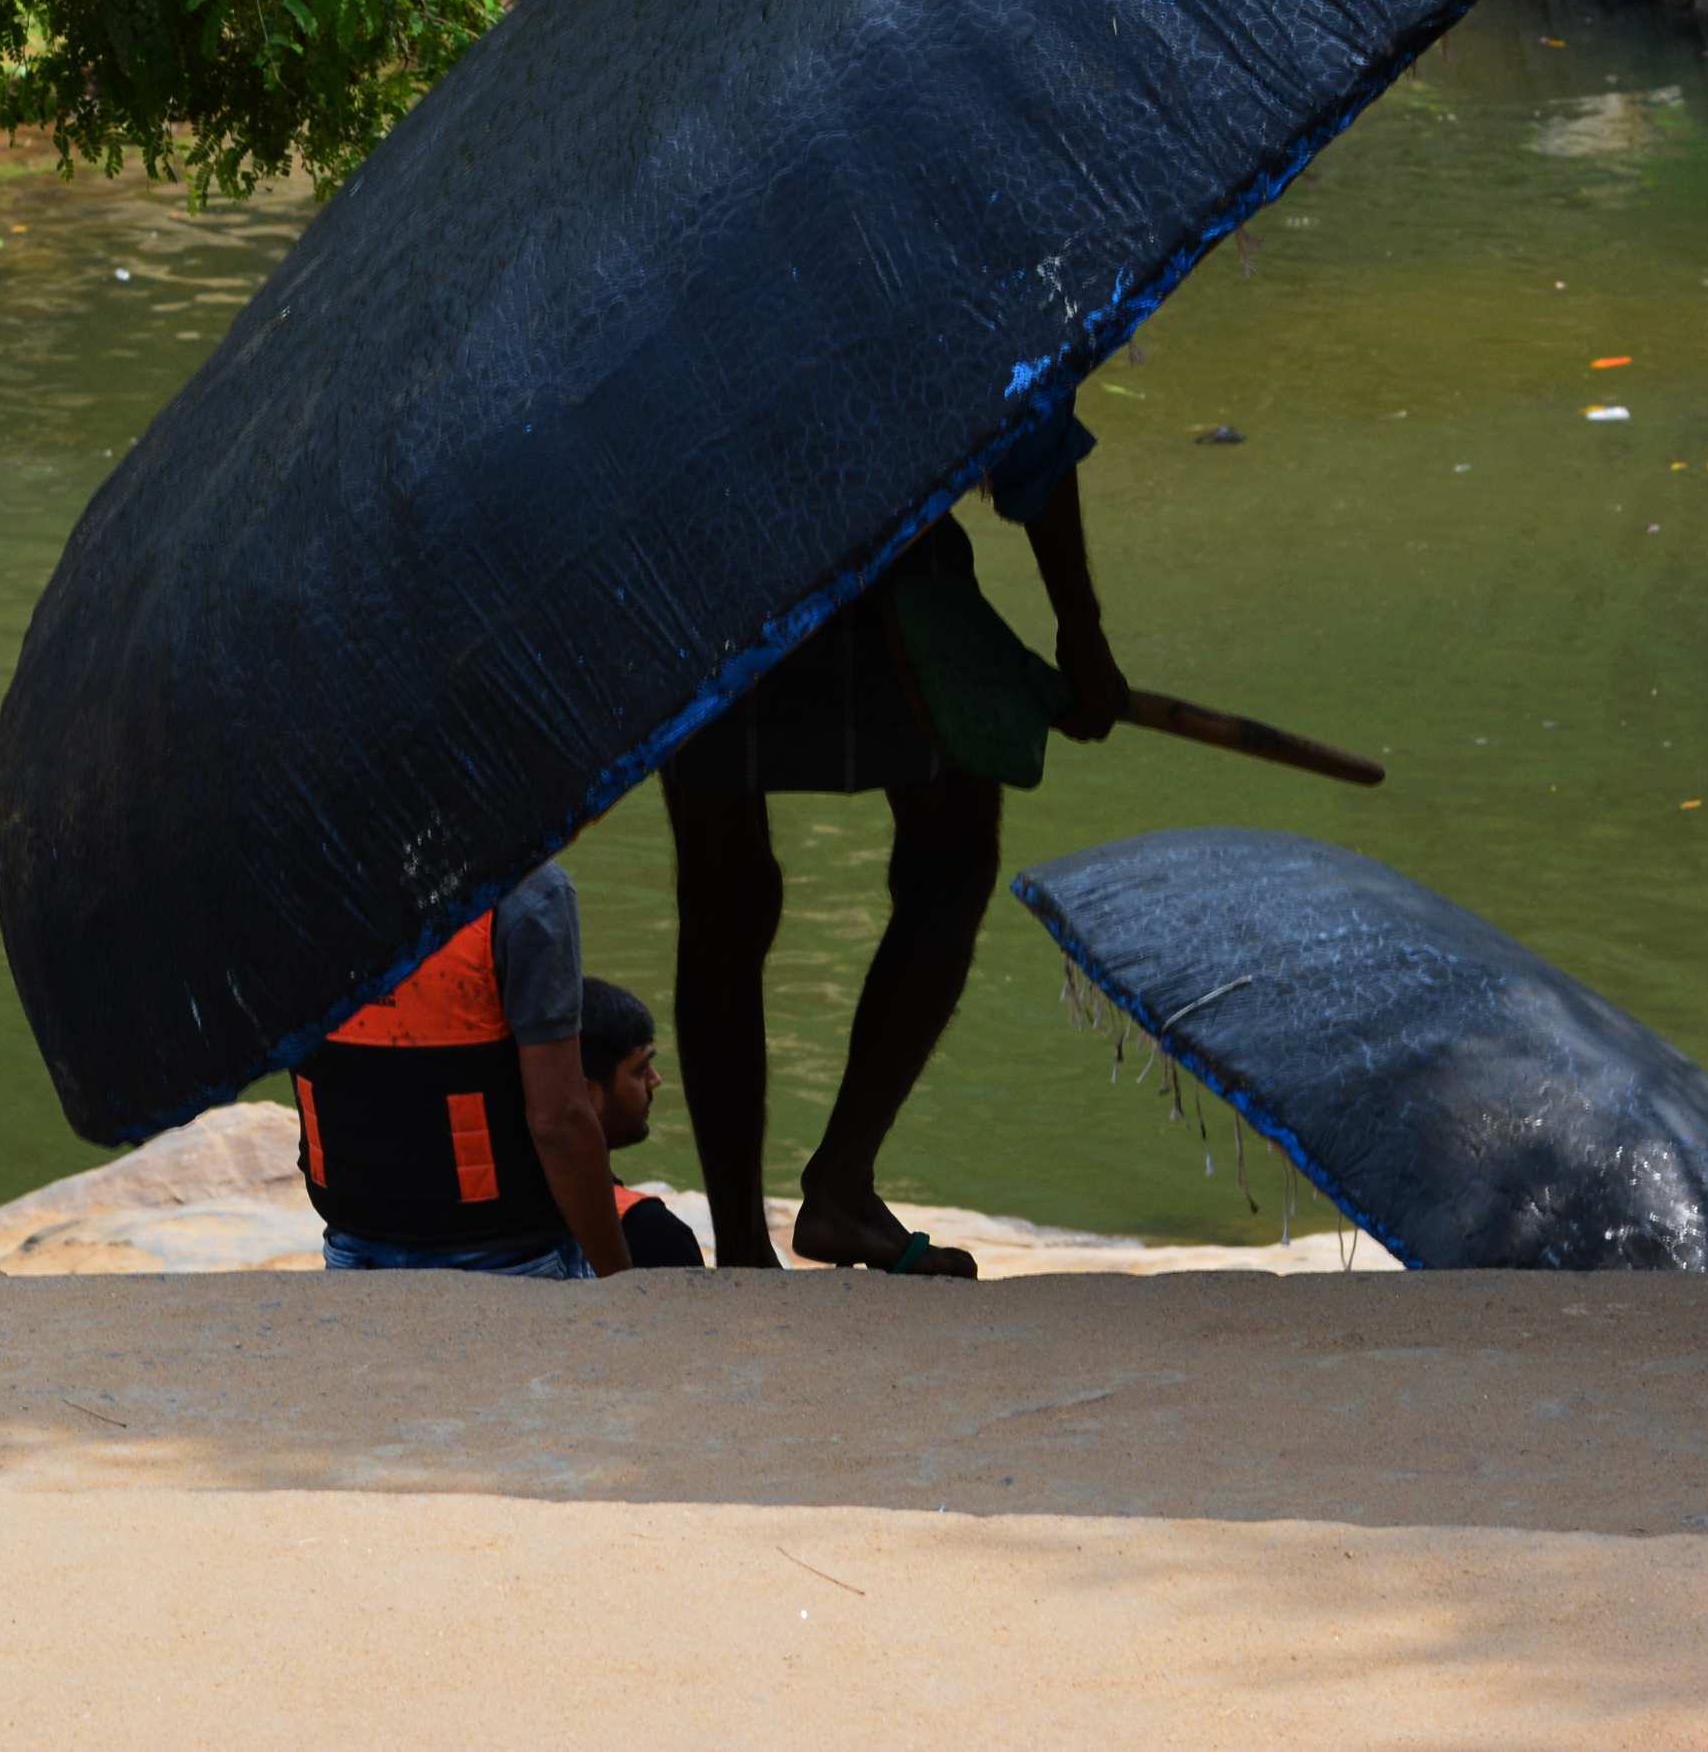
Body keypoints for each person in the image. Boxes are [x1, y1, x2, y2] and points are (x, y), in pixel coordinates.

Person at [660, 395, 1127, 1274]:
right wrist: (1081, 628)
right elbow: (1027, 419)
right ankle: (836, 1184)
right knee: (951, 856)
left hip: (697, 565)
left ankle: (745, 1244)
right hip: (878, 549)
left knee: (722, 889)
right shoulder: (906, 254)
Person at [292, 856, 631, 1278]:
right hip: (509, 1259)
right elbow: (557, 1120)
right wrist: (619, 1279)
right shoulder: (528, 891)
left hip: (353, 1246)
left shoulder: (296, 890)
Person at [579, 975, 708, 1269]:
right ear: (584, 1094)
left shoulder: (480, 1214)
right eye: (640, 1069)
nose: (655, 1080)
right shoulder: (654, 1237)